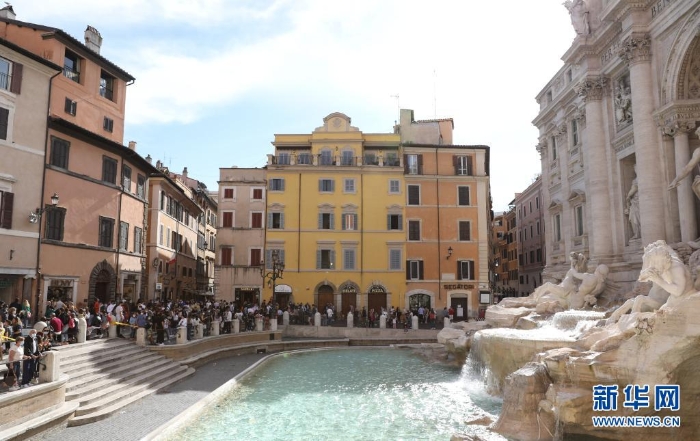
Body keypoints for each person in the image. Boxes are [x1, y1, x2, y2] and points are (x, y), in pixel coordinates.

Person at [625, 165, 641, 240]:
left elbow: (634, 188)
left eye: (637, 168)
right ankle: (636, 233)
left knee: (637, 218)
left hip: (638, 201)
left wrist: (628, 196)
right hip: (634, 202)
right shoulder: (635, 180)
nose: (636, 170)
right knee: (633, 218)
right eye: (635, 168)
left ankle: (638, 233)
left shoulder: (638, 180)